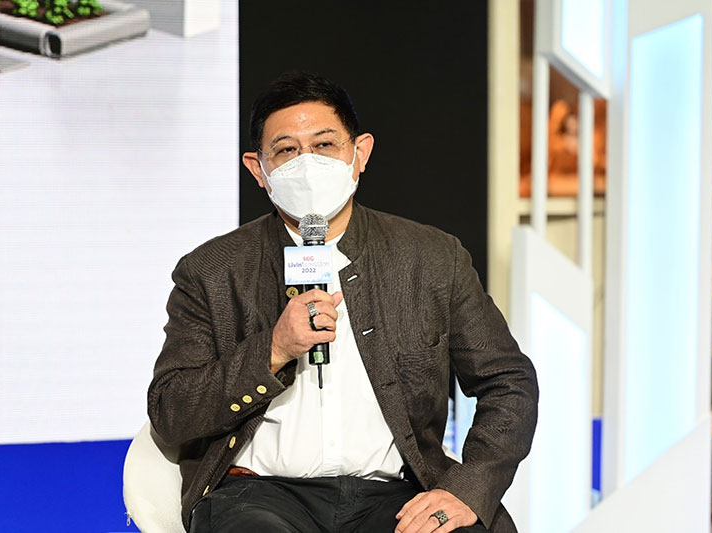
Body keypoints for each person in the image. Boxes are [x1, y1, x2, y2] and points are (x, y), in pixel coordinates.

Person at [148, 71, 539, 533]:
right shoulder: (212, 270)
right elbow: (171, 411)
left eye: (324, 145)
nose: (307, 164)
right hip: (258, 497)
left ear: (360, 153)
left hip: (396, 495)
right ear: (258, 169)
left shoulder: (432, 258)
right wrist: (274, 350)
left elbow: (507, 381)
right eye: (287, 151)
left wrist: (467, 488)